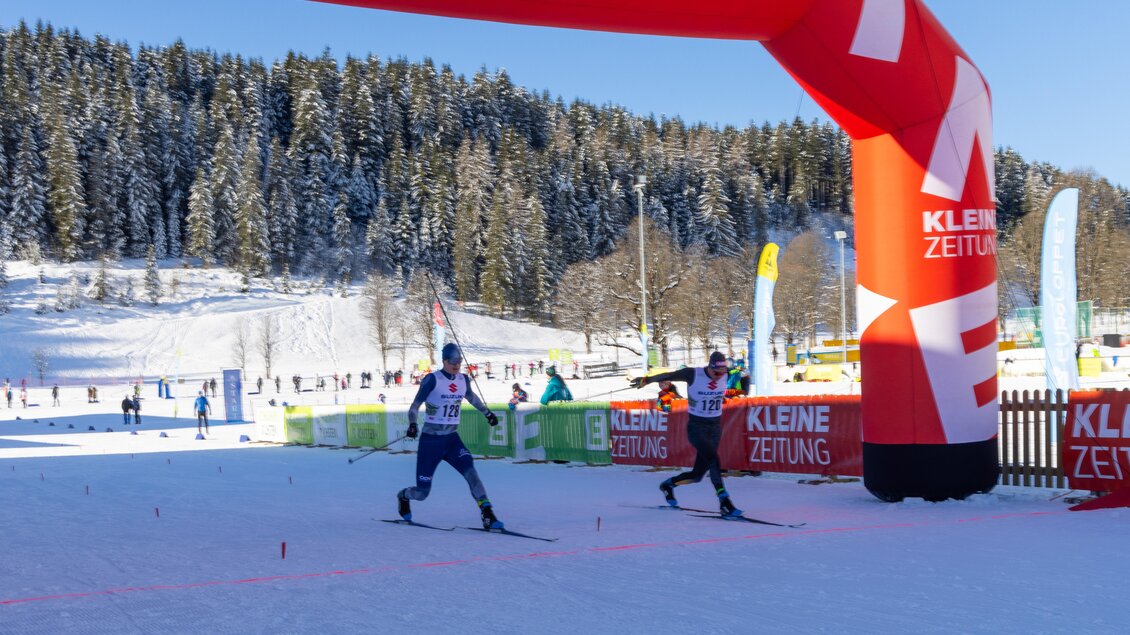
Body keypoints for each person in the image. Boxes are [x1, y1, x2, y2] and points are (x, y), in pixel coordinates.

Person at [396, 343, 503, 530]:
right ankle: (403, 495)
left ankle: (488, 514)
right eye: (453, 361)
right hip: (431, 442)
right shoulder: (432, 379)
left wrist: (487, 413)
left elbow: (472, 398)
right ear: (444, 361)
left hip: (452, 440)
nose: (456, 365)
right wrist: (412, 424)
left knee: (471, 472)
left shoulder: (463, 379)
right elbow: (414, 406)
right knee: (422, 492)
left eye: (459, 361)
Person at [629, 351, 743, 518]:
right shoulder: (693, 374)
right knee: (713, 459)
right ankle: (724, 501)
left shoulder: (725, 374)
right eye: (716, 373)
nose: (719, 377)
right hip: (696, 428)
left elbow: (740, 381)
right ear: (709, 367)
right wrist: (646, 380)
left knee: (697, 476)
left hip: (714, 428)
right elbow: (669, 375)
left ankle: (668, 485)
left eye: (722, 373)